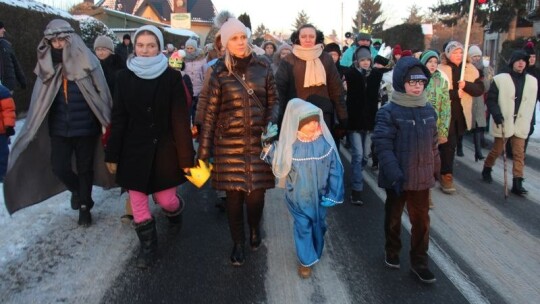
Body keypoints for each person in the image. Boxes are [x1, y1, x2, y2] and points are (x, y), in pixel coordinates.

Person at [3, 19, 113, 224]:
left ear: (71, 39)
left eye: (62, 39)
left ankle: (84, 207)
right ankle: (78, 192)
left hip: (86, 126)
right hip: (59, 127)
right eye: (54, 41)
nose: (59, 44)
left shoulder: (88, 60)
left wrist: (107, 118)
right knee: (59, 166)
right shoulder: (46, 66)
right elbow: (39, 99)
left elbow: (102, 92)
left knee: (85, 167)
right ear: (49, 43)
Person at [104, 25, 195, 268]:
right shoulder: (122, 77)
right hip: (133, 151)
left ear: (160, 48)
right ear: (134, 47)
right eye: (141, 45)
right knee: (138, 203)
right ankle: (148, 248)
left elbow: (179, 120)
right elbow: (119, 118)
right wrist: (112, 153)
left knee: (166, 200)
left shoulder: (172, 78)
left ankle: (175, 212)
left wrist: (187, 158)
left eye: (151, 45)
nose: (145, 50)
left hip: (164, 151)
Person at [197, 11, 278, 267]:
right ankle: (238, 242)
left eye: (243, 37)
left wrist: (270, 124)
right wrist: (203, 151)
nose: (241, 42)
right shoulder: (219, 71)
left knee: (256, 197)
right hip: (227, 144)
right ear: (225, 43)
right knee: (233, 198)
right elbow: (210, 113)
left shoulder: (263, 67)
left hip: (258, 142)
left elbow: (275, 101)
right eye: (235, 38)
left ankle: (254, 227)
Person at [372, 56, 440, 284]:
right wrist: (394, 173)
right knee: (393, 217)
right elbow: (382, 144)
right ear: (402, 82)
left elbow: (434, 143)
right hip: (398, 178)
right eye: (412, 82)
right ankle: (392, 250)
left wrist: (436, 169)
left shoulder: (429, 110)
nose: (417, 86)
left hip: (421, 179)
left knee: (421, 222)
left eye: (420, 82)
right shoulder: (389, 111)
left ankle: (419, 261)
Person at [261, 98, 344, 279]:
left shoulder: (324, 144)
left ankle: (316, 248)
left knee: (319, 225)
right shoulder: (290, 147)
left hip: (320, 197)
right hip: (297, 198)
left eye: (316, 120)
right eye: (308, 122)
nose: (314, 124)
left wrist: (334, 192)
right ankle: (305, 261)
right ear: (297, 124)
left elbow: (335, 169)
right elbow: (276, 159)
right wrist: (267, 143)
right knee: (303, 227)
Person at [481, 50, 537, 196]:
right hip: (504, 121)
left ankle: (517, 182)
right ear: (512, 61)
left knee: (519, 153)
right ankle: (487, 167)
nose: (521, 63)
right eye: (518, 60)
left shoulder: (532, 81)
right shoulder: (500, 79)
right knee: (498, 150)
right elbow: (491, 99)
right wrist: (497, 114)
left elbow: (531, 104)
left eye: (524, 61)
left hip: (521, 121)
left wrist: (532, 122)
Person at [275, 23, 347, 137]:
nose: (307, 39)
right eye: (303, 37)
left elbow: (336, 90)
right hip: (297, 116)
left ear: (316, 38)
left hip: (322, 115)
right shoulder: (288, 60)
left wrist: (343, 118)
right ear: (297, 38)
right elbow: (280, 92)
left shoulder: (326, 58)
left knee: (322, 152)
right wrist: (278, 119)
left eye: (311, 36)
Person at [93, 35, 132, 222]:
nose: (101, 52)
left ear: (111, 50)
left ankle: (130, 198)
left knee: (122, 151)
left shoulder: (119, 68)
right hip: (98, 115)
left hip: (117, 115)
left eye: (104, 49)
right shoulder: (90, 68)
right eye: (98, 49)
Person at [438, 41, 484, 194]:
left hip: (462, 113)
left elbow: (479, 89)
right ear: (448, 54)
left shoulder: (470, 69)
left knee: (453, 144)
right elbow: (435, 92)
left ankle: (440, 169)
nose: (458, 55)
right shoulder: (441, 69)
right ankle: (446, 175)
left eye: (460, 53)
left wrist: (467, 86)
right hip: (445, 113)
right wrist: (453, 93)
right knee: (448, 145)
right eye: (455, 52)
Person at [344, 46, 384, 205]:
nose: (366, 62)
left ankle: (356, 175)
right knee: (358, 154)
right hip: (354, 122)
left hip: (369, 122)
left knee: (365, 156)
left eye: (368, 59)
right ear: (357, 61)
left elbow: (391, 69)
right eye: (362, 60)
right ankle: (356, 190)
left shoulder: (375, 74)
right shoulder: (351, 74)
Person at [420, 49, 450, 209]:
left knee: (431, 163)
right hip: (418, 128)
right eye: (429, 61)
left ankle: (427, 194)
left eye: (435, 62)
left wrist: (444, 130)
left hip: (435, 129)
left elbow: (445, 107)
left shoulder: (441, 81)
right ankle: (418, 192)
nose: (432, 65)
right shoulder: (417, 78)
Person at [468, 45, 491, 161]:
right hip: (468, 100)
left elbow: (487, 88)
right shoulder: (466, 68)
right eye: (474, 56)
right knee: (464, 127)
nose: (476, 58)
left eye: (478, 56)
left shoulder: (484, 69)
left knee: (478, 126)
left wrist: (485, 74)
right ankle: (460, 145)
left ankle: (478, 152)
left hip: (479, 100)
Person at [183, 38, 206, 124]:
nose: (189, 50)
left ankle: (196, 131)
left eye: (191, 48)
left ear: (195, 48)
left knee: (196, 113)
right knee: (187, 113)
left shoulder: (201, 58)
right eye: (187, 48)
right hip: (187, 89)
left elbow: (205, 72)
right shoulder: (183, 58)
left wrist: (205, 85)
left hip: (199, 89)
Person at [0, 21, 26, 93]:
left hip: (7, 87)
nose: (4, 30)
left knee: (7, 104)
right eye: (1, 28)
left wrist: (22, 80)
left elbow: (15, 64)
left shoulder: (6, 45)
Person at [0, 84, 15, 182]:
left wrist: (9, 125)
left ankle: (4, 175)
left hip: (1, 131)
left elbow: (8, 108)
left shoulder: (2, 91)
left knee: (3, 154)